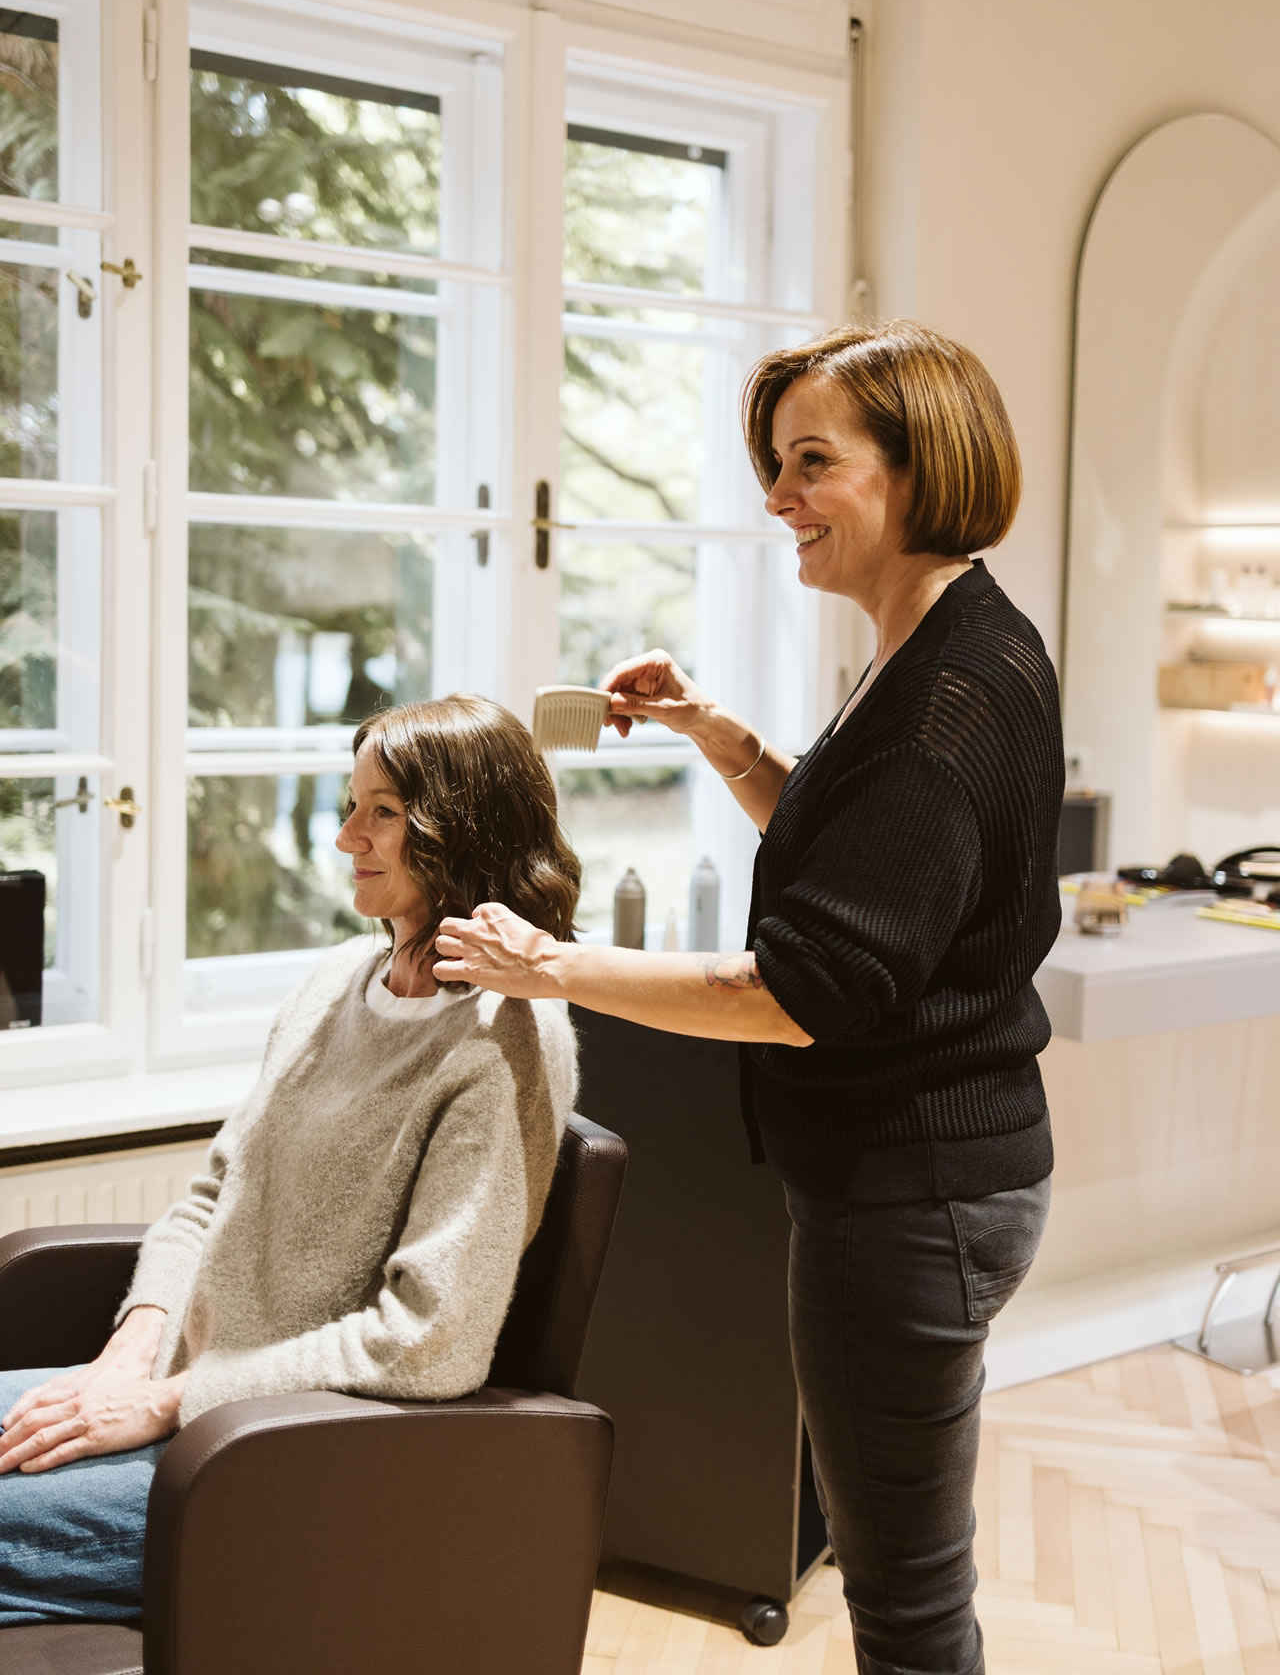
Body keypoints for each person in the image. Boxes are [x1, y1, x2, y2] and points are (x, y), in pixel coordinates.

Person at [434, 322, 1064, 1675]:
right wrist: (714, 736)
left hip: (913, 1197)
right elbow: (859, 863)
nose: (777, 498)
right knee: (911, 1578)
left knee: (906, 1605)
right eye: (776, 464)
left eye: (810, 462)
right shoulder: (939, 643)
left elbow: (795, 992)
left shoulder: (946, 695)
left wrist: (546, 965)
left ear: (917, 467)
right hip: (934, 1182)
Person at [0, 695, 580, 1629]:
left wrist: (170, 1403)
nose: (346, 835)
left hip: (269, 1457)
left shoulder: (502, 1043)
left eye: (382, 812)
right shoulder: (333, 982)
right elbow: (210, 1196)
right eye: (351, 804)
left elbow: (428, 1339)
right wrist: (128, 1354)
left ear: (464, 831)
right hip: (173, 1399)